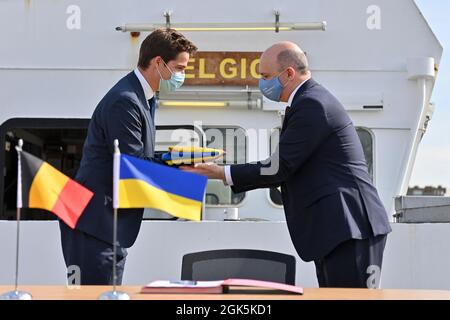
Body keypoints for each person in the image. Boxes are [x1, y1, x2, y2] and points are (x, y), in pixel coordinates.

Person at [182, 42, 392, 288]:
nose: (262, 83)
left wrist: (221, 173)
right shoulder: (308, 100)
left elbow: (279, 168)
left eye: (266, 76)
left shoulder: (312, 104)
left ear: (289, 73)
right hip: (338, 228)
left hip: (350, 227)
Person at [59, 29, 197, 285]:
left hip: (104, 224)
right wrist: (188, 178)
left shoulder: (142, 97)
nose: (182, 76)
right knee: (98, 293)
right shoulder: (126, 101)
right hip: (94, 224)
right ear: (158, 62)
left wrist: (179, 159)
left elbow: (138, 155)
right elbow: (133, 166)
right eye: (179, 68)